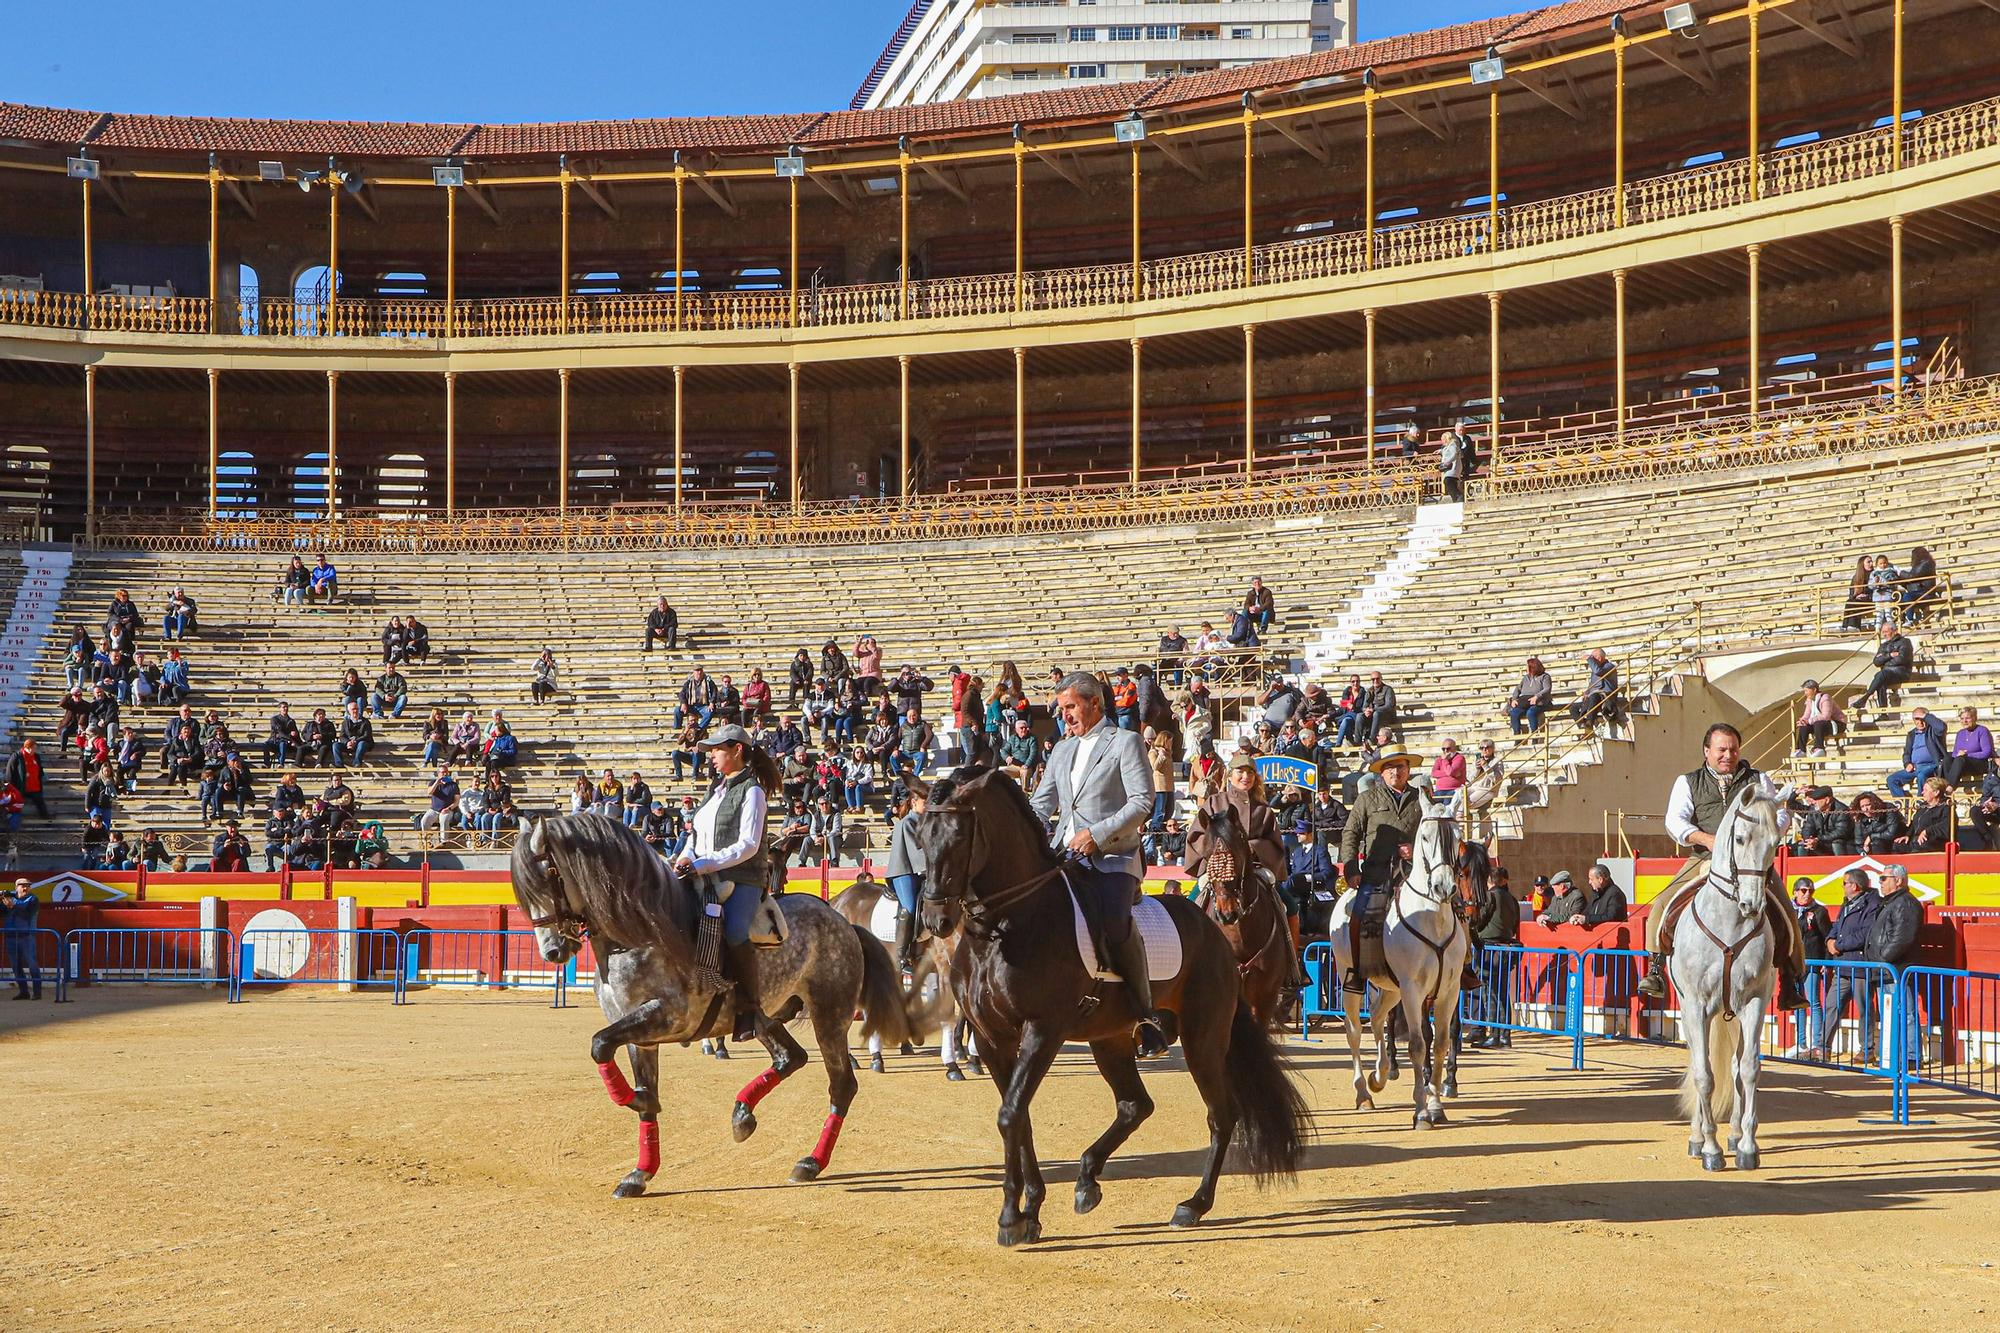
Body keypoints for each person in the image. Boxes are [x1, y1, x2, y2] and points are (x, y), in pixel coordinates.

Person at [1030, 670, 1165, 1056]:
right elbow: (1042, 804)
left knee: (1113, 921)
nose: (1065, 715)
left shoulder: (1125, 742)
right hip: (1063, 856)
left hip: (1113, 857)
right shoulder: (1061, 749)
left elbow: (1141, 801)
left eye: (1070, 707)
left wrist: (1096, 835)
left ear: (1093, 703)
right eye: (1061, 708)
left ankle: (1145, 1014)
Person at [1636, 722, 1807, 1010]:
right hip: (1704, 857)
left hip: (1751, 862)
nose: (1728, 754)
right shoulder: (1688, 781)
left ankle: (1790, 981)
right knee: (1661, 906)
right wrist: (1707, 839)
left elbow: (1780, 816)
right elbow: (1675, 820)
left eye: (1733, 749)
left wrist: (1768, 833)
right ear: (1707, 752)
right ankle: (1655, 969)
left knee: (1788, 915)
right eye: (1721, 749)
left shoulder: (1758, 779)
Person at [672, 724, 783, 1044]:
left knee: (734, 930)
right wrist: (685, 856)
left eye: (718, 750)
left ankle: (749, 1007)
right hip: (702, 872)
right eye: (711, 751)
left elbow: (748, 844)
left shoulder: (754, 791)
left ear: (737, 750)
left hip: (743, 877)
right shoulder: (715, 789)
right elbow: (696, 835)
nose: (712, 756)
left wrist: (705, 863)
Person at [1186, 750, 1296, 977]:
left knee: (1290, 906)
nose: (1245, 776)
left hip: (1255, 869)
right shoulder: (1214, 803)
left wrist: (1249, 848)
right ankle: (1186, 965)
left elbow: (1275, 844)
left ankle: (1292, 966)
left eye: (1250, 772)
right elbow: (1197, 835)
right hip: (1218, 870)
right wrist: (1218, 855)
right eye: (1240, 772)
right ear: (1230, 775)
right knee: (1190, 906)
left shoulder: (1264, 810)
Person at [1338, 747, 1425, 994]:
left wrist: (1415, 848)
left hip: (1413, 871)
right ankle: (1356, 971)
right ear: (1382, 773)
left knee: (1455, 907)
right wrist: (1351, 868)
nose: (1395, 772)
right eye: (1389, 767)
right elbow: (1350, 833)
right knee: (1358, 915)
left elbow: (1432, 833)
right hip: (1377, 872)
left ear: (1408, 770)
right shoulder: (1367, 799)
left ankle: (1463, 967)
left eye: (1400, 767)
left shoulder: (1422, 798)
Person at [1816, 868, 1880, 1062]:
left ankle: (1867, 1050)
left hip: (1861, 965)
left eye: (1844, 883)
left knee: (1864, 1009)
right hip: (1842, 964)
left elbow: (1865, 933)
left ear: (1854, 885)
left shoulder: (1872, 904)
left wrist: (1838, 945)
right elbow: (1837, 927)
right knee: (1831, 1006)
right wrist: (1829, 941)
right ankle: (1823, 1048)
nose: (1843, 887)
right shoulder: (1847, 904)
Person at [1865, 864, 1924, 1066]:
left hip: (1895, 969)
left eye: (1884, 878)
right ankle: (1895, 1055)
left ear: (1898, 880)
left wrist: (1883, 959)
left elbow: (1902, 938)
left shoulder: (1904, 903)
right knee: (1892, 1014)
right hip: (1887, 969)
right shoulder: (1892, 903)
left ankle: (1910, 1056)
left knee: (1904, 1013)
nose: (1880, 882)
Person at [1786, 876, 1834, 1060]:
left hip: (1813, 961)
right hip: (1793, 962)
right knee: (1799, 1003)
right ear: (1795, 892)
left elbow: (1827, 937)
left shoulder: (1819, 911)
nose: (1807, 894)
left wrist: (1826, 961)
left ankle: (1816, 1044)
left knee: (1813, 1001)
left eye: (1810, 891)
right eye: (1804, 890)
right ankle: (1801, 1043)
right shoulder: (1789, 910)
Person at [1887, 707, 1946, 797]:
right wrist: (1907, 763)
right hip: (1915, 767)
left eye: (1922, 719)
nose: (1920, 722)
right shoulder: (1911, 734)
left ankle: (1921, 801)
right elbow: (1907, 752)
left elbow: (1941, 728)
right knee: (1891, 779)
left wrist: (1926, 716)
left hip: (1931, 765)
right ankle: (1904, 803)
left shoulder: (1933, 731)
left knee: (1921, 775)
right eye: (1917, 719)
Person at [1791, 785, 1856, 857]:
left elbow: (1841, 832)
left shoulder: (1842, 810)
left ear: (1827, 800)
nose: (1813, 802)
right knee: (1803, 845)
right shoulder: (1814, 809)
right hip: (1821, 842)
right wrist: (1809, 840)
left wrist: (1818, 839)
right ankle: (1802, 867)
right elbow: (1808, 827)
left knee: (1837, 843)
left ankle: (1841, 866)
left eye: (1816, 799)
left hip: (1842, 844)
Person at [4, 879, 41, 1000]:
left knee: (32, 965)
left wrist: (11, 902)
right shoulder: (9, 899)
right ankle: (24, 991)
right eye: (22, 886)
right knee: (16, 966)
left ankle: (37, 992)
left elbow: (25, 910)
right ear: (16, 887)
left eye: (27, 886)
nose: (25, 888)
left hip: (27, 936)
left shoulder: (33, 899)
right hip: (11, 936)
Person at [1897, 776, 1955, 853]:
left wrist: (1927, 831)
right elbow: (1914, 822)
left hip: (1934, 842)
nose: (1922, 793)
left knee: (1919, 846)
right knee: (1897, 845)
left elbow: (1945, 827)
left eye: (1925, 790)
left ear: (1936, 792)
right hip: (1915, 839)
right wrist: (1908, 835)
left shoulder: (1946, 807)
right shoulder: (1923, 806)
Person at [1940, 706, 1993, 789]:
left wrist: (1967, 755)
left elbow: (1987, 752)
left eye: (1967, 718)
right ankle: (1945, 785)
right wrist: (1958, 755)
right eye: (1962, 718)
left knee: (1960, 759)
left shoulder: (1982, 731)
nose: (1964, 721)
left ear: (1975, 718)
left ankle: (1950, 788)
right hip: (1962, 764)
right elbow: (1955, 753)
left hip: (1979, 763)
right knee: (1947, 758)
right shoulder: (1960, 733)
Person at [1865, 622, 1914, 709]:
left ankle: (1866, 696)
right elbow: (1876, 662)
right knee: (1881, 680)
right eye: (1883, 632)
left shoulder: (1905, 642)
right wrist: (1890, 655)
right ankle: (1883, 713)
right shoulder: (1883, 645)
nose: (1884, 634)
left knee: (1880, 675)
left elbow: (1901, 659)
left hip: (1901, 672)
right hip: (1887, 674)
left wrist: (1884, 659)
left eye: (1886, 632)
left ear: (1894, 631)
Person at [1570, 649, 1620, 728]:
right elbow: (1592, 683)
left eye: (1593, 657)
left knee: (1594, 696)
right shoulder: (1595, 669)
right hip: (1593, 698)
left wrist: (1589, 659)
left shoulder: (1609, 666)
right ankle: (1582, 724)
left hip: (1605, 696)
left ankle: (1590, 722)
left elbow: (1598, 672)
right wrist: (1587, 692)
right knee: (1573, 708)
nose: (1592, 659)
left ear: (1599, 658)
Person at [1794, 680, 1844, 757]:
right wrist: (1803, 721)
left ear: (1814, 690)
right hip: (1821, 725)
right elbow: (1806, 715)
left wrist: (1809, 721)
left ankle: (1819, 748)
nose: (1805, 693)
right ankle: (1801, 750)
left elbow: (1825, 716)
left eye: (1807, 691)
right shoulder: (1809, 700)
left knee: (1818, 723)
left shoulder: (1825, 698)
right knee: (1804, 726)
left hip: (1837, 723)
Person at [1506, 657, 1552, 734]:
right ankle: (1517, 735)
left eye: (1527, 666)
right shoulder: (1526, 677)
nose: (1526, 668)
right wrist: (1514, 699)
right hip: (1525, 702)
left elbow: (1547, 688)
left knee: (1530, 713)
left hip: (1540, 702)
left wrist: (1537, 696)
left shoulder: (1545, 676)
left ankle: (1534, 735)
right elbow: (1518, 689)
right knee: (1514, 713)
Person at [7, 740, 48, 820]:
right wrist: (11, 788)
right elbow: (10, 772)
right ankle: (12, 825)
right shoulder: (17, 756)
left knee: (42, 806)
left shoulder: (36, 756)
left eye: (35, 748)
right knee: (15, 806)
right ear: (27, 748)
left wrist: (42, 775)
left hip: (35, 788)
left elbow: (40, 769)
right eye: (33, 748)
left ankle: (47, 823)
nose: (34, 750)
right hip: (20, 788)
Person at [1969, 766, 2000, 852]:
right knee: (1975, 811)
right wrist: (1986, 804)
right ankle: (1988, 840)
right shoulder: (1991, 776)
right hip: (1994, 810)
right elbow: (1985, 795)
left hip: (1997, 806)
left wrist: (1998, 805)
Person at [1867, 553, 1901, 628]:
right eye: (1880, 563)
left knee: (1888, 614)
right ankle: (1877, 630)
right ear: (1877, 564)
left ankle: (1892, 628)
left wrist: (1883, 582)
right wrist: (1875, 583)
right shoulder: (1873, 573)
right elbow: (1870, 586)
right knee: (1879, 615)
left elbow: (1892, 583)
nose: (1883, 565)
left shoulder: (1891, 572)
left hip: (1888, 595)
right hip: (1877, 597)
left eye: (1884, 563)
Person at [1430, 738, 1466, 807]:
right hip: (1439, 790)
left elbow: (1450, 772)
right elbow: (1434, 773)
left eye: (1448, 749)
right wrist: (1450, 774)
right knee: (1430, 803)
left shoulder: (1459, 758)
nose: (1445, 751)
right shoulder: (1439, 759)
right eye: (1443, 749)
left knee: (1447, 804)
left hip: (1454, 790)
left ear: (1454, 748)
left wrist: (1445, 761)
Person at [337, 702, 373, 768]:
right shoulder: (345, 722)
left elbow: (366, 735)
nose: (355, 711)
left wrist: (355, 741)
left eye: (356, 709)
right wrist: (347, 742)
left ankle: (357, 763)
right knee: (335, 745)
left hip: (361, 744)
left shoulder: (365, 722)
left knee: (362, 744)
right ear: (348, 711)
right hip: (349, 744)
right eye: (353, 709)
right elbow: (342, 736)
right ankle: (339, 764)